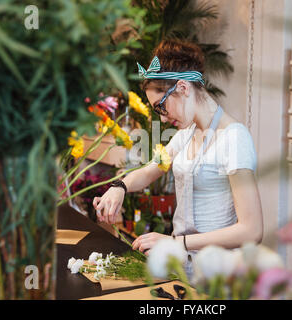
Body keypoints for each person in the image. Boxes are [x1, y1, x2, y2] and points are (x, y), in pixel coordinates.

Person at [93, 39, 263, 277]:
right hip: (184, 267)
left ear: (182, 88)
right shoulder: (185, 135)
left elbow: (252, 230)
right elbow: (150, 171)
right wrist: (119, 187)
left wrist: (177, 242)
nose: (161, 119)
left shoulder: (234, 138)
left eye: (161, 107)